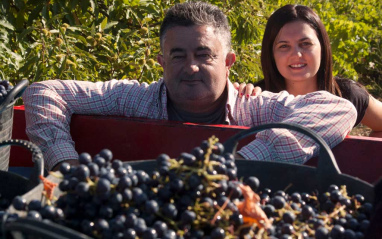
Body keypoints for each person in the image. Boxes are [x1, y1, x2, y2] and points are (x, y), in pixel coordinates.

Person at [22, 1, 356, 172]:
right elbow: (44, 91)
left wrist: (242, 162)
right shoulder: (136, 99)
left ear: (229, 62)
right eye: (178, 55)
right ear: (161, 62)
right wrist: (64, 164)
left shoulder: (255, 107)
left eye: (203, 54)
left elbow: (338, 108)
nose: (191, 66)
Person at [236, 4, 382, 137]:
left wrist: (364, 157)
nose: (296, 55)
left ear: (323, 48)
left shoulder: (346, 94)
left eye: (305, 44)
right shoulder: (257, 97)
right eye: (284, 46)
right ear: (271, 54)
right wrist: (238, 100)